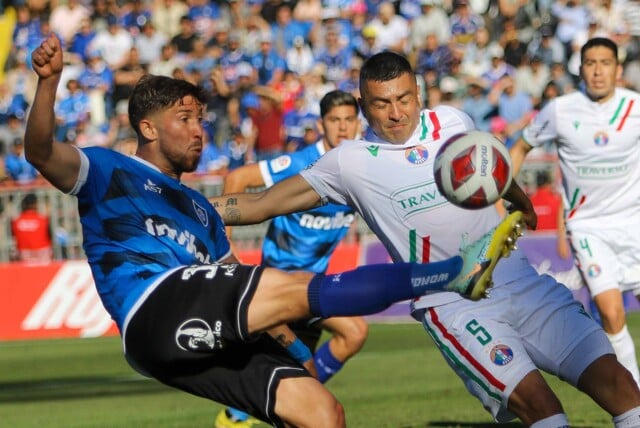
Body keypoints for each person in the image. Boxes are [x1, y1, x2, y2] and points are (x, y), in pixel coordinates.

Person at [25, 34, 519, 428]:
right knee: (310, 291)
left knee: (320, 412)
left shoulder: (200, 211)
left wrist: (299, 352)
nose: (199, 130)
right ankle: (451, 273)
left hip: (186, 334)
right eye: (184, 119)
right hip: (152, 306)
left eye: (201, 118)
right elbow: (43, 153)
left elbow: (236, 288)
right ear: (148, 129)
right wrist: (48, 84)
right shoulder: (109, 169)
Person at [210, 50, 640, 427]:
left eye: (404, 99)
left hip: (520, 281)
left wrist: (522, 204)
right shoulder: (347, 163)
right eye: (382, 104)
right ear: (364, 106)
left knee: (621, 387)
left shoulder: (453, 121)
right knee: (544, 411)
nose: (397, 113)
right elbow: (261, 204)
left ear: (418, 93)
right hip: (452, 303)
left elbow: (489, 167)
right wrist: (193, 206)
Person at [216, 90, 367, 427]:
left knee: (322, 356)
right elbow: (238, 178)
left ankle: (239, 417)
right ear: (320, 125)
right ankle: (249, 415)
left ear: (358, 124)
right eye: (334, 121)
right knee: (350, 333)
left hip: (312, 286)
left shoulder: (360, 167)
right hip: (280, 285)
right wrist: (222, 248)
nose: (343, 128)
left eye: (349, 120)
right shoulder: (300, 164)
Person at [510, 37, 640, 388]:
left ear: (617, 68)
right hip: (588, 227)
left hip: (635, 222)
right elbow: (521, 146)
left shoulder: (636, 106)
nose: (598, 71)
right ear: (580, 68)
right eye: (591, 63)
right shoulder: (560, 110)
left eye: (605, 63)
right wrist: (501, 194)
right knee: (612, 314)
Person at [11, 193, 53, 264]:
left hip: (23, 255)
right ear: (35, 204)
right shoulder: (43, 220)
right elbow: (50, 236)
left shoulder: (16, 221)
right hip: (42, 254)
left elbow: (14, 236)